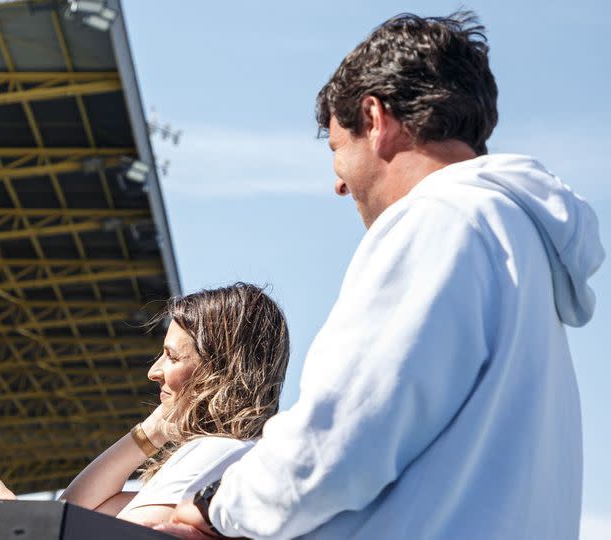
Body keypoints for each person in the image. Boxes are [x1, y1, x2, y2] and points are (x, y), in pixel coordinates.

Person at [164, 11, 605, 540]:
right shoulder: (521, 244)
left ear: (375, 119)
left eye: (335, 150)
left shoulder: (440, 220)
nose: (339, 185)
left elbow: (338, 441)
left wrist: (219, 504)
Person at [0, 282, 290, 526]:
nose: (154, 371)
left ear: (218, 367)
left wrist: (4, 506)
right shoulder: (232, 455)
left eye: (171, 357)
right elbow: (73, 513)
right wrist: (147, 435)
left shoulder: (216, 453)